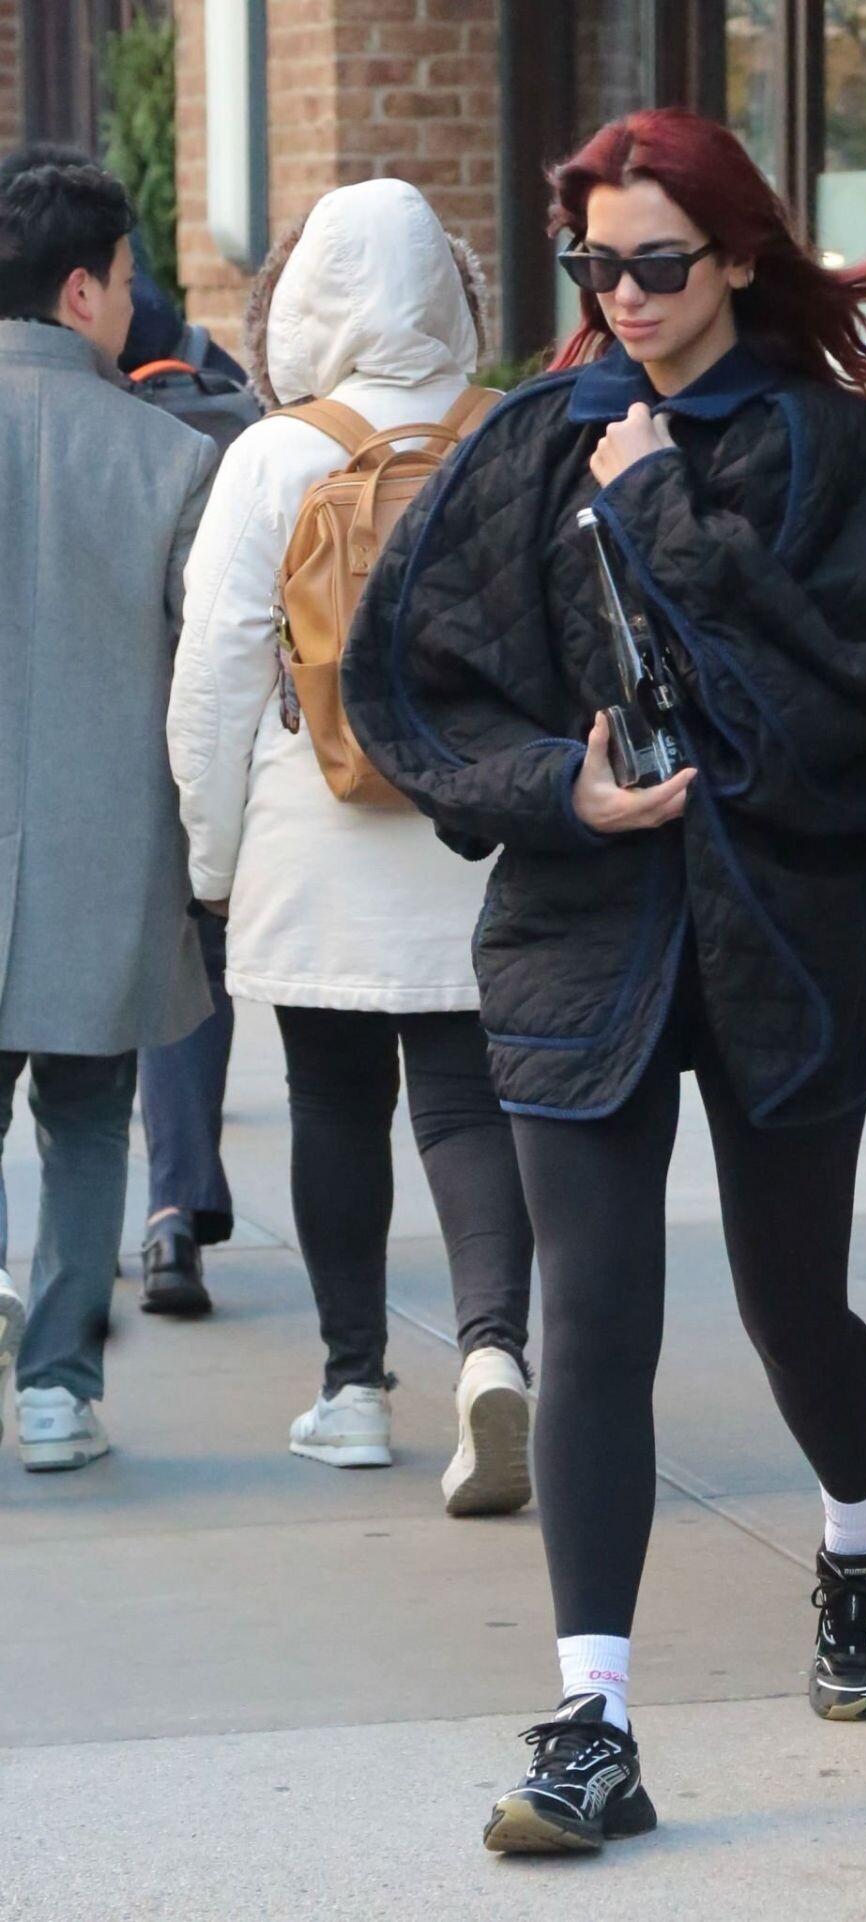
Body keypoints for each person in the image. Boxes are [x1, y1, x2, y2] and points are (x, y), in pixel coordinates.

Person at [344, 107, 866, 1855]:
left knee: (792, 1304)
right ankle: (590, 1718)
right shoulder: (535, 442)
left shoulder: (835, 457)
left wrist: (668, 508)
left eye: (658, 262)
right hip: (578, 933)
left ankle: (859, 1535)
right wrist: (561, 788)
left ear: (739, 256)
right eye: (593, 263)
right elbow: (413, 682)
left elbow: (864, 701)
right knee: (592, 1318)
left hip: (785, 940)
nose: (623, 295)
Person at [167, 180, 535, 1515]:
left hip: (315, 827)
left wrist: (210, 859)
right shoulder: (507, 433)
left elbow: (216, 674)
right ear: (450, 290)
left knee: (333, 1104)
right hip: (477, 825)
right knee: (469, 1104)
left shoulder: (276, 454)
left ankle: (354, 1388)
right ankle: (493, 1350)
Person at [0, 142, 248, 1322]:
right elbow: (204, 682)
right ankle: (60, 1381)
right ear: (81, 289)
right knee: (91, 1122)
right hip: (109, 861)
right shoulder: (175, 458)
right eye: (126, 273)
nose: (132, 294)